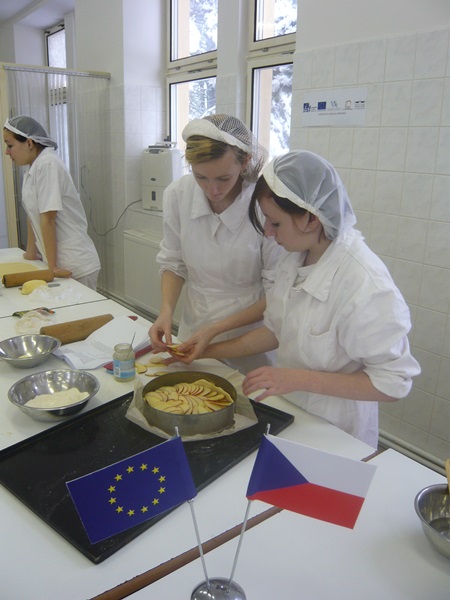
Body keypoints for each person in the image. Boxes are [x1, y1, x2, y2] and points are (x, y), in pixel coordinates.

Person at [171, 150, 421, 448]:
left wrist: (297, 379)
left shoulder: (365, 285)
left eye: (275, 223)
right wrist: (207, 350)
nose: (267, 232)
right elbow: (275, 330)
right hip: (293, 413)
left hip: (337, 432)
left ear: (311, 219)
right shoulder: (296, 258)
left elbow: (393, 383)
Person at [149, 114, 285, 373]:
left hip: (250, 337)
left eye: (223, 178)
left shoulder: (263, 205)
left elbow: (277, 292)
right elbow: (173, 262)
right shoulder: (178, 195)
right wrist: (165, 311)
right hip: (195, 325)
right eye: (201, 177)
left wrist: (215, 330)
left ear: (245, 161)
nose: (212, 190)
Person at [3, 116, 101, 289]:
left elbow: (48, 218)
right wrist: (31, 252)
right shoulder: (33, 168)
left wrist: (53, 267)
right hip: (56, 262)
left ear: (29, 143)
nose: (6, 152)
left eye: (10, 145)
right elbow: (33, 213)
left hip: (73, 264)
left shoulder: (48, 164)